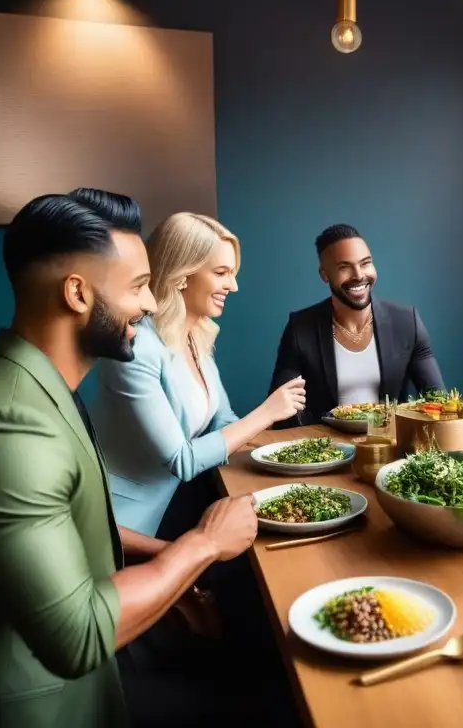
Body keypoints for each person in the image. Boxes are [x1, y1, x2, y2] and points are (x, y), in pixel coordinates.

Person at [0, 189, 260, 727]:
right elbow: (77, 636)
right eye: (137, 288)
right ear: (78, 294)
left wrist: (170, 574)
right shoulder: (6, 424)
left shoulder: (44, 389)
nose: (151, 304)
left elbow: (81, 529)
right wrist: (202, 545)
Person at [90, 212, 306, 537]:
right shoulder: (136, 349)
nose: (233, 286)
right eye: (221, 273)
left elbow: (222, 420)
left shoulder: (196, 334)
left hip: (177, 501)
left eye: (233, 273)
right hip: (127, 525)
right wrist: (267, 413)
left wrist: (291, 454)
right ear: (182, 274)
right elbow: (182, 460)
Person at [270, 223, 445, 424]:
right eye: (344, 267)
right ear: (325, 275)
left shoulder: (407, 322)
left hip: (390, 443)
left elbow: (438, 399)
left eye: (365, 263)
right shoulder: (300, 328)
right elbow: (280, 410)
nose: (359, 275)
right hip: (329, 448)